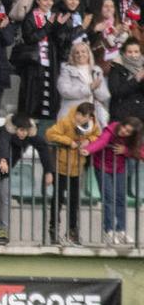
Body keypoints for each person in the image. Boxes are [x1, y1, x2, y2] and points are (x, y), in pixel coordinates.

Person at [0, 113, 54, 245]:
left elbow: (43, 147)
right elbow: (2, 143)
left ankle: (3, 230)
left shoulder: (29, 136)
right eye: (21, 130)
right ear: (14, 128)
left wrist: (49, 170)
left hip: (6, 168)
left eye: (26, 131)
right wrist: (2, 159)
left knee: (5, 196)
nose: (23, 133)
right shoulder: (4, 131)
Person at [46, 102, 100, 246]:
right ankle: (53, 228)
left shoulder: (92, 125)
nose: (81, 118)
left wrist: (88, 141)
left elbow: (97, 136)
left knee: (74, 200)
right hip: (61, 166)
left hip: (77, 168)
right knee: (58, 199)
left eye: (85, 117)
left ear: (89, 117)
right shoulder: (66, 121)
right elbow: (50, 134)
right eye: (80, 115)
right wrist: (69, 142)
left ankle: (72, 230)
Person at [83, 117, 144, 245]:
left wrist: (126, 151)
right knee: (108, 198)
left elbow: (141, 152)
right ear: (122, 124)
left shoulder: (133, 140)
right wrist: (88, 150)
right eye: (124, 128)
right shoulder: (112, 128)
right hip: (102, 167)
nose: (124, 132)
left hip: (119, 168)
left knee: (121, 198)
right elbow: (102, 141)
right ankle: (108, 230)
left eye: (128, 132)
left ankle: (121, 230)